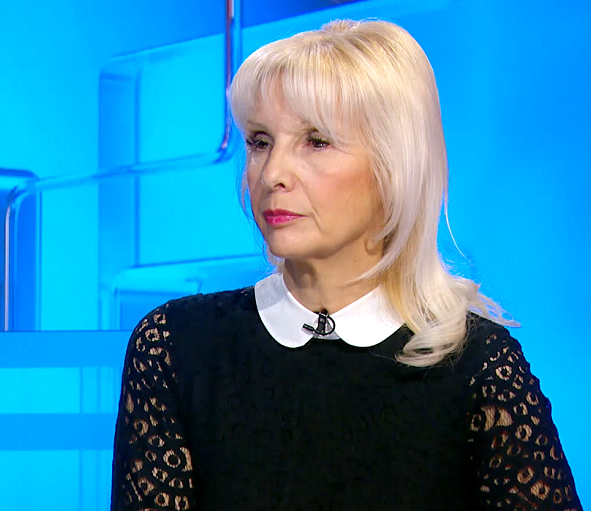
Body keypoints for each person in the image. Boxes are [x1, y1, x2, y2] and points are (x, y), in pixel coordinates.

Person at [111, 19, 582, 510]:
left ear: (392, 166)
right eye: (260, 141)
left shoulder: (478, 367)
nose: (273, 174)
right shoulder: (174, 345)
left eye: (316, 141)